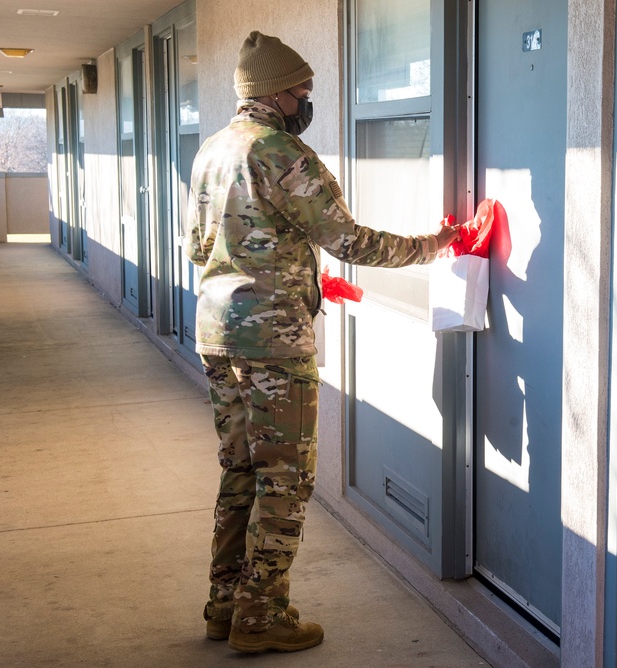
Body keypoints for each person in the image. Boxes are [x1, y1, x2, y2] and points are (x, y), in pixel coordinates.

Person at [186, 30, 459, 654]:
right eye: (302, 89)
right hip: (273, 341)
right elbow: (350, 239)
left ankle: (224, 604)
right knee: (285, 478)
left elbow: (209, 246)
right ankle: (263, 616)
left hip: (216, 332)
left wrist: (296, 273)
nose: (307, 99)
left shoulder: (212, 151)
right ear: (275, 92)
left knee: (241, 472)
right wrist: (436, 245)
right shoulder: (282, 151)